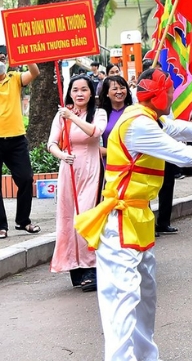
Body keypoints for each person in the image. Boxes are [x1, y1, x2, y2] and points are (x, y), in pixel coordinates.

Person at [73, 68, 192, 361]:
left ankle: (147, 357)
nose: (174, 95)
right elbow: (182, 154)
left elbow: (189, 129)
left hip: (138, 221)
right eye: (171, 91)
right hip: (119, 222)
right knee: (123, 302)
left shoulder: (150, 118)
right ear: (159, 94)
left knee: (145, 300)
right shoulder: (139, 125)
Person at [47, 76, 108, 291]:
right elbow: (51, 144)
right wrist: (62, 156)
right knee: (68, 218)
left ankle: (91, 266)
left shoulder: (98, 113)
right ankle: (75, 268)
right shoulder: (61, 115)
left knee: (86, 216)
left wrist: (72, 116)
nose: (79, 93)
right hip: (68, 171)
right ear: (70, 92)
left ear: (91, 92)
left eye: (84, 89)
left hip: (91, 170)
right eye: (75, 90)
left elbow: (95, 132)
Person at [0, 53, 40, 239]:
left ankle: (23, 221)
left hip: (16, 139)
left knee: (25, 179)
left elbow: (35, 72)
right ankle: (1, 226)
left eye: (2, 58)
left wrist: (24, 55)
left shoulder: (14, 78)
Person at [99, 76, 134, 157]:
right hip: (109, 164)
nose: (119, 91)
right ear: (106, 93)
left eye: (122, 88)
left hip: (131, 162)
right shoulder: (100, 114)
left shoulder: (134, 111)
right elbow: (94, 148)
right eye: (115, 89)